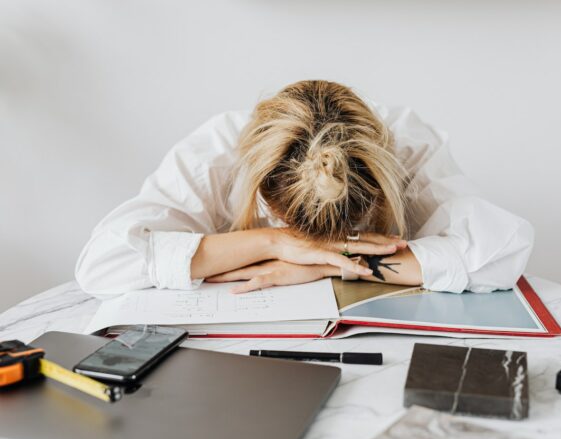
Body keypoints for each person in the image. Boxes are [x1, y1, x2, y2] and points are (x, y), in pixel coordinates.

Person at [75, 80, 534, 297]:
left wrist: (329, 266)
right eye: (291, 227)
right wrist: (273, 242)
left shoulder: (404, 143)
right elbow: (103, 265)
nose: (307, 246)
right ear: (259, 183)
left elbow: (501, 251)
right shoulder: (216, 149)